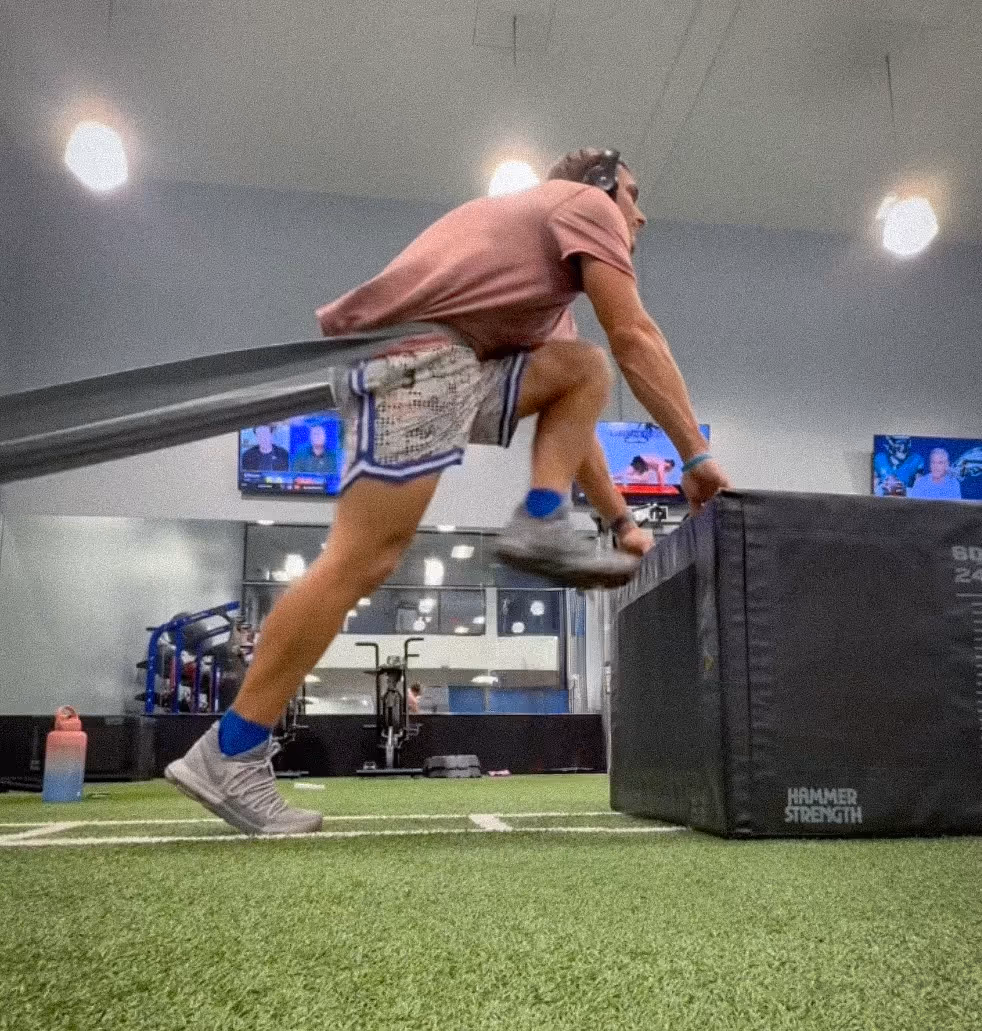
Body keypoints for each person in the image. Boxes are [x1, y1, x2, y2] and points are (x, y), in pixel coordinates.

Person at [165, 147, 731, 834]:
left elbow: (577, 404)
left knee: (584, 372)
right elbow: (636, 335)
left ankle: (544, 517)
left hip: (443, 362)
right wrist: (695, 457)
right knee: (359, 560)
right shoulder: (583, 207)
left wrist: (618, 523)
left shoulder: (537, 284)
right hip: (423, 360)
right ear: (600, 189)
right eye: (633, 195)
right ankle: (228, 749)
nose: (639, 214)